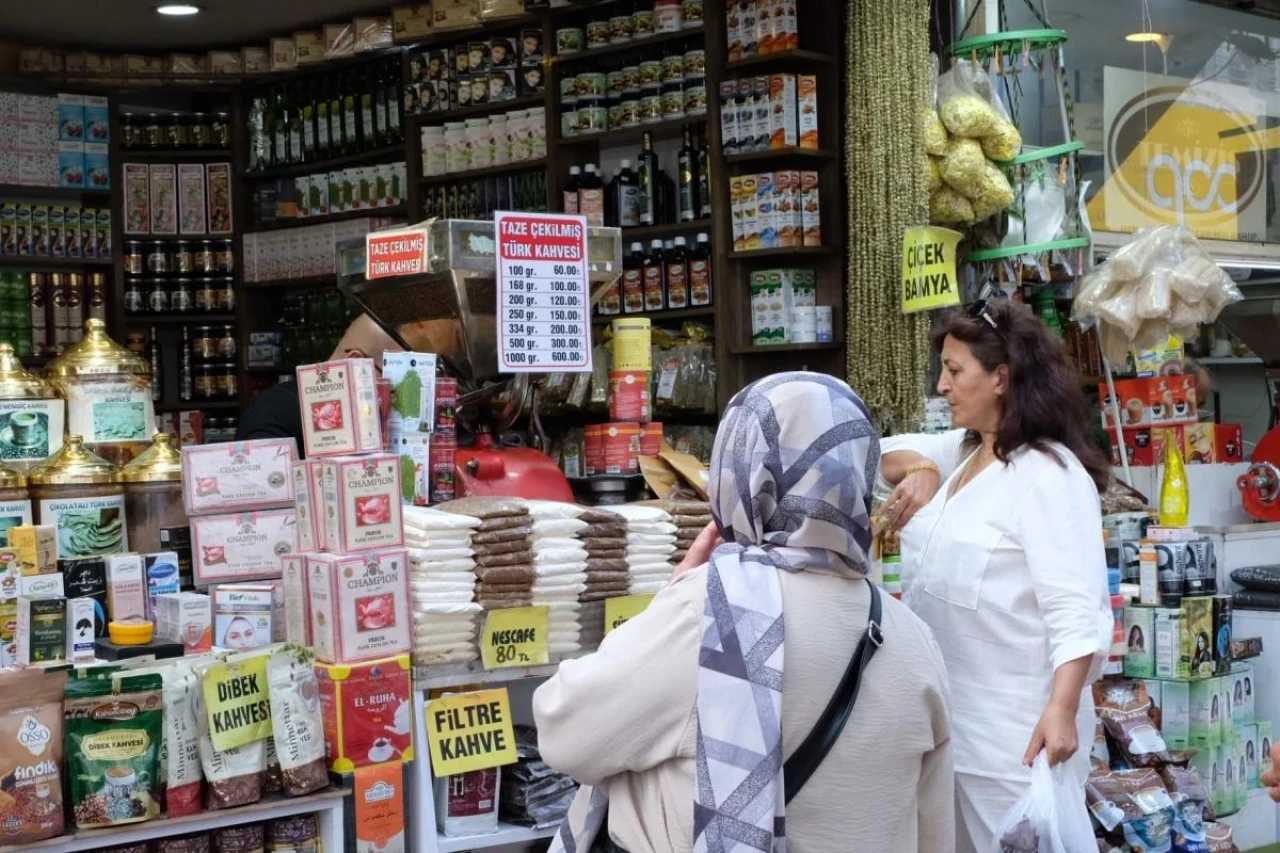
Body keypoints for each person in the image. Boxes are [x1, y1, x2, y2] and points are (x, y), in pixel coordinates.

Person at [534, 373, 954, 853]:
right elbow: (935, 828)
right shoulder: (915, 640)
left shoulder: (709, 614)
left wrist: (671, 601)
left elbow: (563, 728)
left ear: (740, 473)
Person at [878, 299, 1113, 853]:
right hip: (949, 733)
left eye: (955, 371)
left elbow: (1075, 608)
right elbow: (876, 454)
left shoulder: (1048, 475)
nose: (942, 386)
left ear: (1001, 378)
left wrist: (1060, 710)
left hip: (1018, 741)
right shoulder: (963, 453)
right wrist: (923, 468)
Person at [236, 314, 401, 451]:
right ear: (356, 364)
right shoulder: (274, 410)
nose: (394, 399)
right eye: (393, 387)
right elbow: (259, 484)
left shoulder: (366, 422)